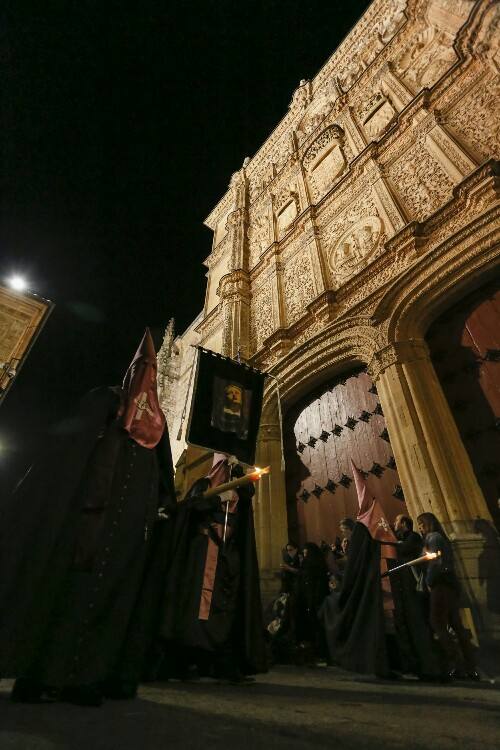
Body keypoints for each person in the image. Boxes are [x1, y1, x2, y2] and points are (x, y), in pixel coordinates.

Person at [0, 329, 176, 706]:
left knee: (111, 600)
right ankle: (37, 673)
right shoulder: (103, 401)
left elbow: (164, 475)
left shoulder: (157, 421)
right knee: (58, 592)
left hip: (125, 528)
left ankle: (89, 678)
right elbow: (67, 454)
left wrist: (160, 507)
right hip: (78, 520)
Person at [160, 453, 267, 683]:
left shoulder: (239, 490)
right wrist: (218, 499)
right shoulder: (204, 484)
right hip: (203, 556)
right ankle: (189, 661)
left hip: (227, 558)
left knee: (226, 607)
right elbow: (192, 506)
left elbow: (249, 492)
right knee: (197, 608)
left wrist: (238, 472)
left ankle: (223, 664)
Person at [417, 512, 479, 680]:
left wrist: (429, 582)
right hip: (449, 584)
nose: (420, 528)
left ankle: (456, 664)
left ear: (428, 524)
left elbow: (435, 563)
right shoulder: (439, 537)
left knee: (437, 622)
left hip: (440, 585)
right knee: (456, 625)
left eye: (421, 524)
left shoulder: (433, 537)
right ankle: (470, 666)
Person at [295, 542, 329, 661]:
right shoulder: (309, 564)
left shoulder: (314, 565)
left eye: (306, 553)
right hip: (309, 600)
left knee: (317, 626)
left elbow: (315, 584)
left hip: (315, 600)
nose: (304, 556)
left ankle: (320, 653)